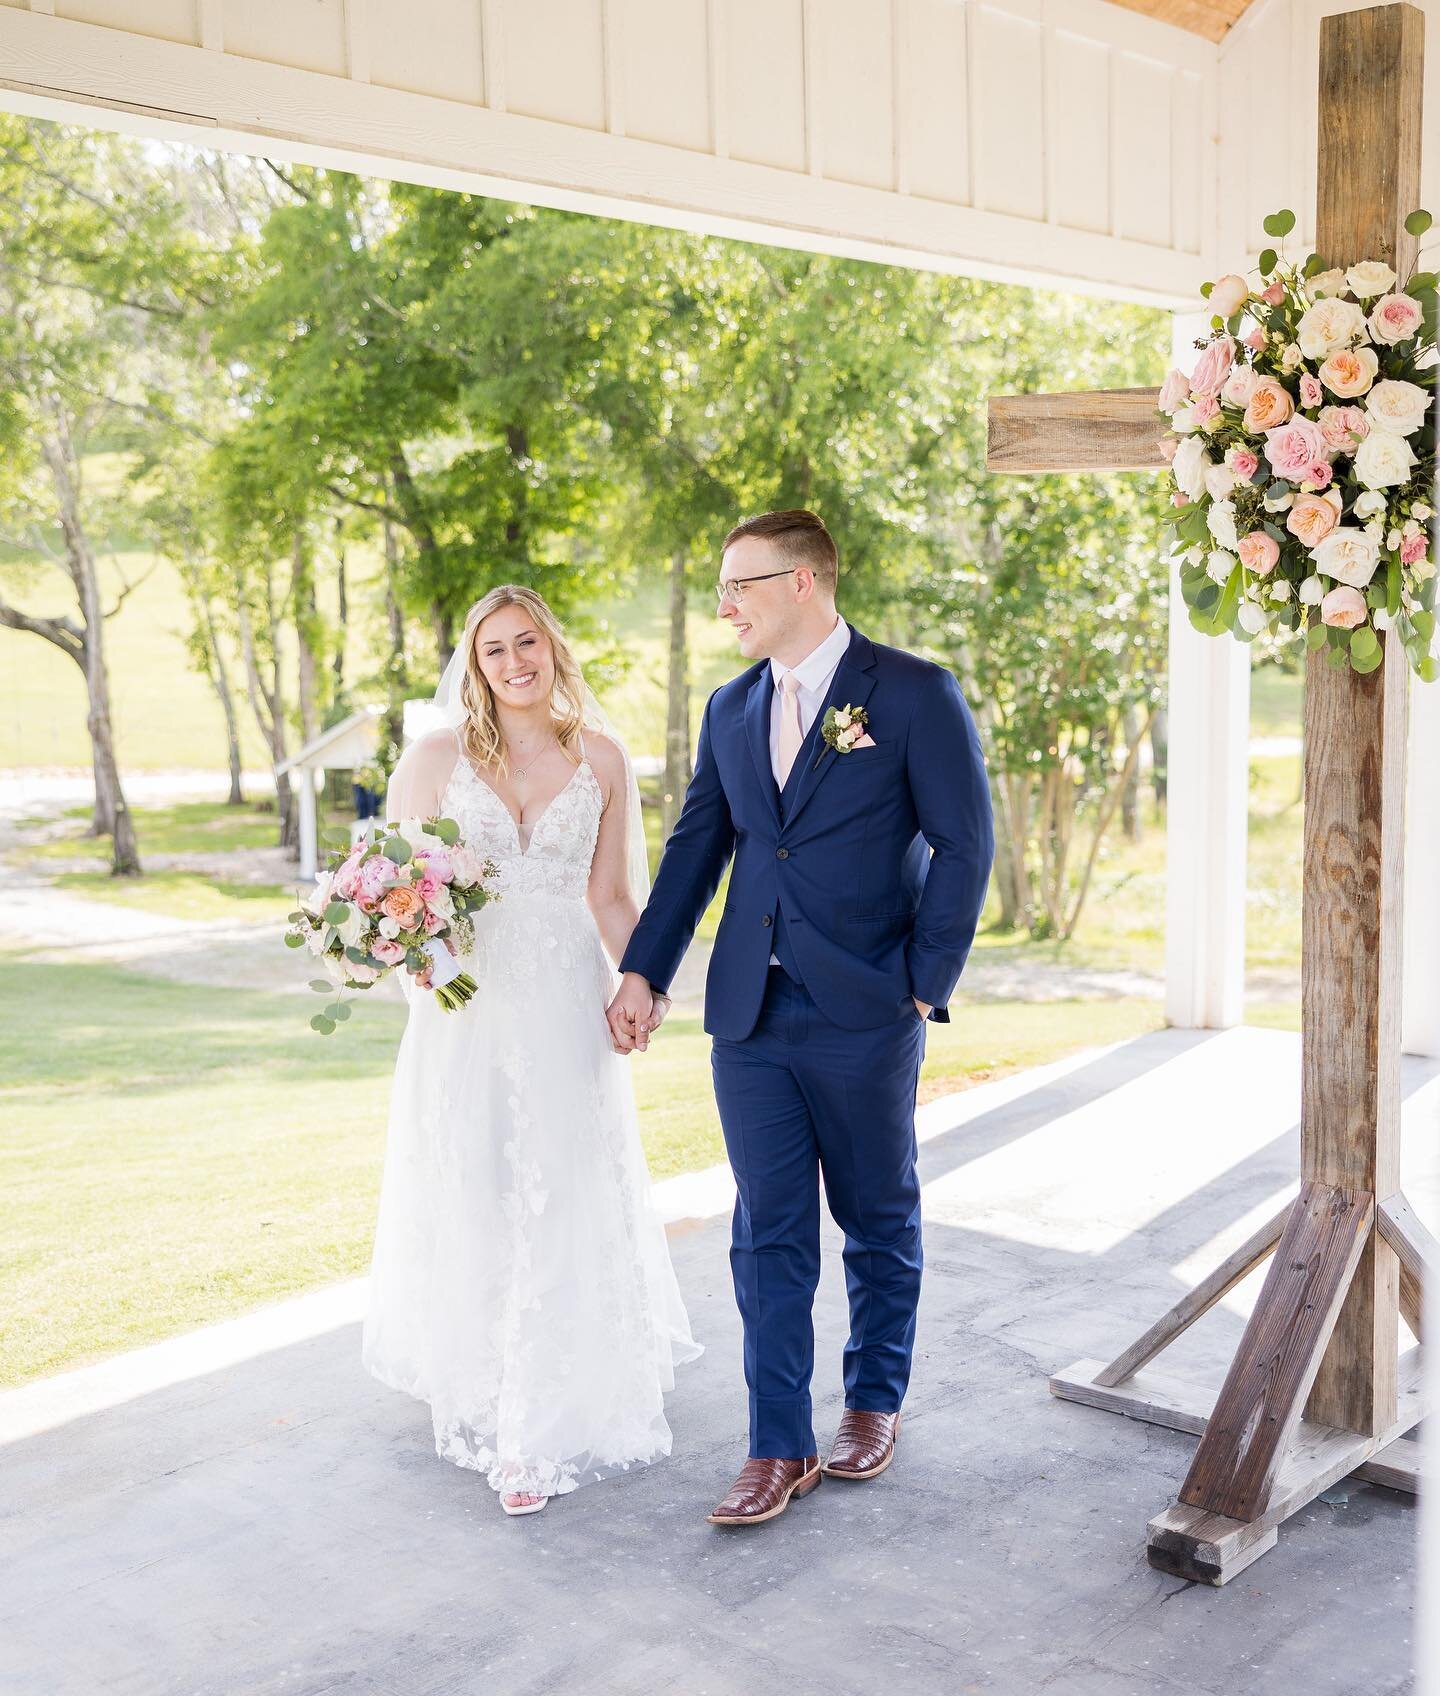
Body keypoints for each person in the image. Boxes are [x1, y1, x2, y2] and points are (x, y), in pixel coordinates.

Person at [607, 509, 993, 1527]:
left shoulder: (911, 693)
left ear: (805, 582)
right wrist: (644, 971)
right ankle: (779, 1443)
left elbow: (964, 845)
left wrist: (923, 980)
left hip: (869, 1006)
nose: (725, 604)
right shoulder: (730, 709)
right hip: (750, 1016)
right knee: (766, 1231)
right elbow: (698, 850)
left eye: (742, 584)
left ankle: (873, 1399)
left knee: (876, 1215)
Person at [362, 585, 701, 1517]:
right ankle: (481, 1380)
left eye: (528, 643)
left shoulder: (601, 758)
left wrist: (647, 981)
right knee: (474, 1185)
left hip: (561, 1003)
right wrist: (426, 974)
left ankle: (536, 1425)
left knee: (562, 1187)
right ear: (475, 666)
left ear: (553, 647)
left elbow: (612, 898)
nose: (515, 662)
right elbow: (390, 894)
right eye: (494, 651)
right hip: (463, 1012)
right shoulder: (435, 758)